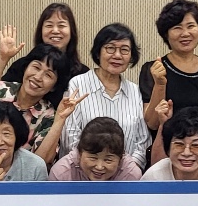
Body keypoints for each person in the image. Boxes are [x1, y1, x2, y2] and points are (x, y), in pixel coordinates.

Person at [61, 24, 150, 168]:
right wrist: (94, 167)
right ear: (98, 52)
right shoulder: (77, 84)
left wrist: (125, 171)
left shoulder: (135, 91)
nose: (117, 55)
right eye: (110, 48)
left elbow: (142, 141)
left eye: (124, 50)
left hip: (125, 175)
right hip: (81, 173)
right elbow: (70, 138)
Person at [0, 44, 74, 163]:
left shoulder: (48, 117)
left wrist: (60, 120)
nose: (38, 77)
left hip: (22, 173)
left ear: (54, 87)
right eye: (36, 67)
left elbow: (40, 162)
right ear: (25, 67)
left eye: (48, 75)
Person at [141, 0, 198, 132]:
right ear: (166, 34)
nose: (185, 33)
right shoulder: (154, 69)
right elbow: (152, 123)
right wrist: (160, 84)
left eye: (191, 26)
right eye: (177, 28)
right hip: (168, 144)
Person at [0, 3, 84, 84]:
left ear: (71, 31)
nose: (55, 30)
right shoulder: (23, 65)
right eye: (49, 25)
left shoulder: (82, 74)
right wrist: (3, 58)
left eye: (61, 25)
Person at [141, 109, 198, 181]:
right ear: (168, 149)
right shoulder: (153, 177)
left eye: (196, 146)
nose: (186, 153)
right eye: (179, 145)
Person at [50, 117, 143, 182]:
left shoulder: (131, 175)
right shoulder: (61, 173)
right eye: (93, 158)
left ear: (121, 158)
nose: (99, 167)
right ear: (80, 153)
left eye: (108, 160)